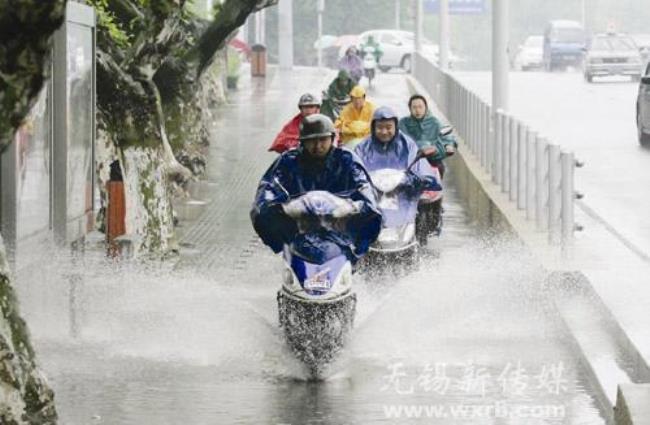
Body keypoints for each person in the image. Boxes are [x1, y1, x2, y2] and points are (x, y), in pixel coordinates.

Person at [251, 114, 382, 264]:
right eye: (311, 141)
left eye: (322, 140)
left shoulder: (347, 160)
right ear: (302, 142)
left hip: (341, 233)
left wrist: (353, 207)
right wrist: (280, 207)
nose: (318, 146)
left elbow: (365, 189)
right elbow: (269, 187)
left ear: (332, 139)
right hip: (300, 232)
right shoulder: (288, 161)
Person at [355, 106, 441, 197]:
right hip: (371, 195)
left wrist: (405, 181)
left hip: (404, 195)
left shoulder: (408, 145)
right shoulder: (363, 147)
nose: (384, 132)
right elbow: (354, 170)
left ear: (395, 127)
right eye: (379, 127)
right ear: (373, 127)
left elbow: (421, 171)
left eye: (388, 127)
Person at [398, 94, 457, 179]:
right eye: (414, 107)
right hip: (411, 162)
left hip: (432, 161)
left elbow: (446, 136)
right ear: (410, 108)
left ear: (425, 107)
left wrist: (448, 145)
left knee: (440, 168)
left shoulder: (434, 122)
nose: (417, 110)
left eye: (420, 107)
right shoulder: (403, 123)